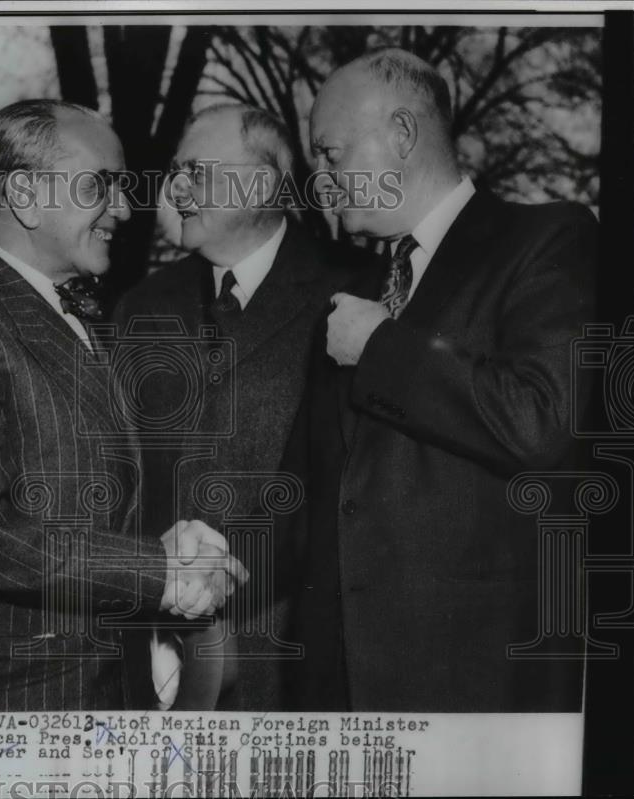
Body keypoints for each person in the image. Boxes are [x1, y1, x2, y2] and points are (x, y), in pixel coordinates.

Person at [0, 99, 246, 711]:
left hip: (83, 686)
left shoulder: (63, 310)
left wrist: (169, 546)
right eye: (101, 186)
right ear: (24, 195)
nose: (126, 209)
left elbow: (81, 496)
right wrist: (156, 571)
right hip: (3, 704)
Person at [288, 48, 598, 710]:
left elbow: (542, 419)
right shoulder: (358, 290)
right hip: (349, 689)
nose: (320, 179)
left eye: (331, 154)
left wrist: (381, 347)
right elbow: (320, 494)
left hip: (480, 685)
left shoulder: (546, 240)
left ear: (401, 135)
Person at [113, 104, 372, 710]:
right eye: (174, 173)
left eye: (194, 172)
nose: (174, 190)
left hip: (296, 659)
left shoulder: (355, 296)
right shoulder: (140, 305)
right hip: (159, 656)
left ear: (260, 183)